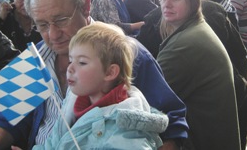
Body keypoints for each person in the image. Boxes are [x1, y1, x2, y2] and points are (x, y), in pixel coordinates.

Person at [0, 0, 188, 150]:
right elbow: (9, 115)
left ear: (85, 6)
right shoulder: (37, 55)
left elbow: (173, 125)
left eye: (60, 20)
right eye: (41, 25)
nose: (52, 34)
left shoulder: (125, 53)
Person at [33, 22, 168, 149]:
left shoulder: (126, 134)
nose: (70, 68)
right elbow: (52, 143)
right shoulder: (72, 100)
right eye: (70, 60)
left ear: (110, 72)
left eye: (82, 62)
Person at [156, 0, 241, 150]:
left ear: (193, 1)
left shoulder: (185, 45)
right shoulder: (195, 29)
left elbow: (148, 99)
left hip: (202, 140)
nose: (167, 4)